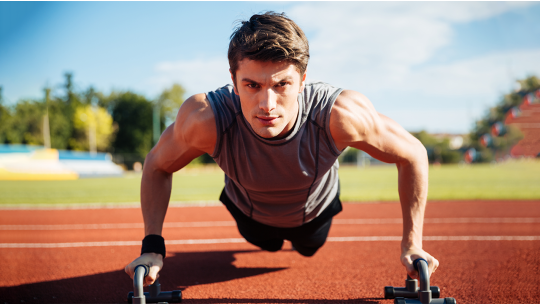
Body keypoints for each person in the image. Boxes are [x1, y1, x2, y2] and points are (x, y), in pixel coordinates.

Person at [125, 11, 438, 287]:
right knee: (268, 245)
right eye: (252, 86)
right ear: (233, 81)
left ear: (302, 81)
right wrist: (152, 247)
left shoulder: (340, 116)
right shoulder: (205, 119)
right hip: (249, 216)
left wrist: (412, 244)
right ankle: (268, 237)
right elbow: (156, 164)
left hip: (315, 213)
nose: (267, 105)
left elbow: (412, 153)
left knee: (308, 247)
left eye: (281, 85)